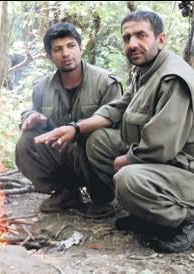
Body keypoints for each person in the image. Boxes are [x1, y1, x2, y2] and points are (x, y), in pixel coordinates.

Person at [34, 10, 194, 253]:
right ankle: (148, 211)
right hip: (172, 160)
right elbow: (118, 108)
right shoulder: (146, 70)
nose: (132, 44)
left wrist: (127, 160)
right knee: (98, 141)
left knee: (127, 179)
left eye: (141, 35)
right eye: (127, 38)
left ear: (160, 39)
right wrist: (75, 128)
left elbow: (160, 146)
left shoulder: (172, 79)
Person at [15, 22, 123, 215]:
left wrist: (81, 130)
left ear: (80, 48)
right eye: (58, 49)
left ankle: (104, 198)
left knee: (97, 140)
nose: (66, 53)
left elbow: (118, 129)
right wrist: (30, 117)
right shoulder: (41, 88)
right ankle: (66, 192)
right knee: (26, 141)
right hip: (64, 154)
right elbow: (30, 112)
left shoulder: (105, 83)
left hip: (95, 157)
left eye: (71, 46)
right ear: (49, 56)